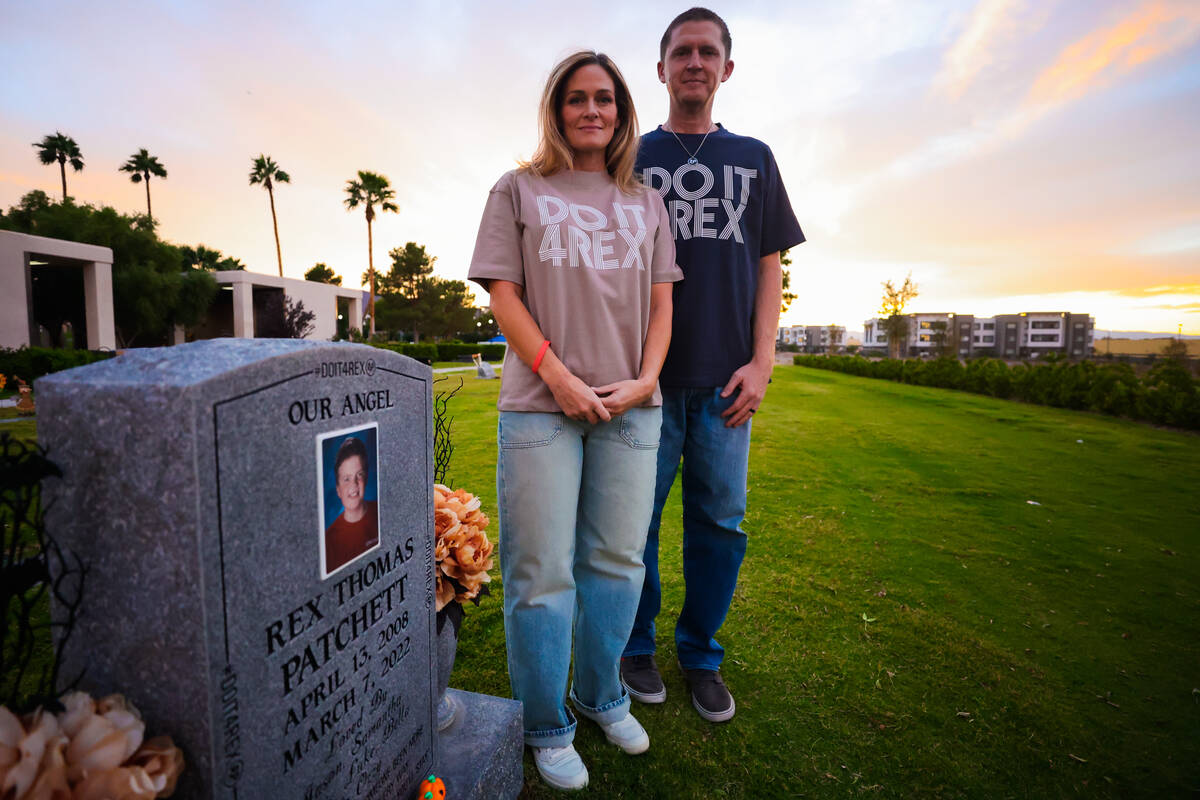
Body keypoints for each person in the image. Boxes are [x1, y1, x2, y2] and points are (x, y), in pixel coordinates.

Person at [468, 50, 682, 791]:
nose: (591, 110)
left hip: (630, 408)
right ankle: (545, 723)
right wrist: (557, 376)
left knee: (619, 566)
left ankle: (601, 696)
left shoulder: (647, 202)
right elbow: (503, 294)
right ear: (556, 110)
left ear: (622, 112)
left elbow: (662, 305)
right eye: (575, 98)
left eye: (605, 99)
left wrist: (648, 379)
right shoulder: (517, 190)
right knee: (540, 573)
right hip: (541, 409)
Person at [620, 7, 806, 724]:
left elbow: (769, 269)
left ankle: (700, 655)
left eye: (708, 52)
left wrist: (762, 363)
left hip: (729, 385)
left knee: (719, 526)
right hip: (649, 384)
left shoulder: (754, 156)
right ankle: (635, 647)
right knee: (634, 524)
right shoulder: (630, 158)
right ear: (660, 67)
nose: (694, 62)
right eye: (680, 51)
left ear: (726, 69)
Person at [324, 435, 379, 574]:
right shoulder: (329, 541)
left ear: (366, 478)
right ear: (338, 489)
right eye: (346, 479)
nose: (354, 484)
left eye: (359, 475)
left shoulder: (380, 512)